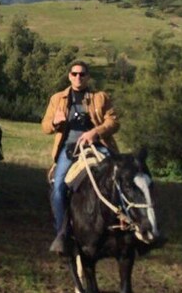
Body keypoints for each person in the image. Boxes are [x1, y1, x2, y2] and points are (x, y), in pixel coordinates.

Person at [41, 60, 119, 254]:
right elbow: (45, 126)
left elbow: (114, 121)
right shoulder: (57, 98)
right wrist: (56, 123)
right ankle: (62, 234)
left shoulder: (100, 97)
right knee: (58, 187)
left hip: (97, 146)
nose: (78, 77)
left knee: (119, 178)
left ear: (88, 77)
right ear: (69, 76)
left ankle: (129, 227)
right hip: (70, 149)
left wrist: (96, 132)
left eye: (82, 74)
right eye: (75, 74)